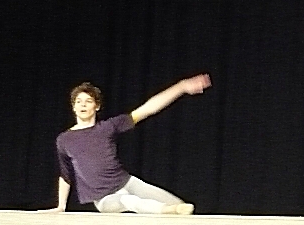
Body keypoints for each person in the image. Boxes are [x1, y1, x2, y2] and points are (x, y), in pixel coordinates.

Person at [43, 75, 211, 215]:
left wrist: (181, 87)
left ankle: (172, 210)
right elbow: (65, 175)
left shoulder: (108, 127)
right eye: (79, 101)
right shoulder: (65, 139)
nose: (83, 105)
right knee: (129, 200)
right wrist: (61, 206)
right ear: (73, 107)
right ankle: (167, 210)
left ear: (97, 106)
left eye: (88, 101)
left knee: (180, 207)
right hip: (104, 198)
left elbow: (148, 109)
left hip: (127, 183)